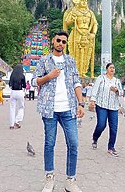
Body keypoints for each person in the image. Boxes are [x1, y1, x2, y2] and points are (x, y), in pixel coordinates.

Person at [32, 30, 85, 192]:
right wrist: (49, 76)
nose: (61, 43)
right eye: (58, 40)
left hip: (68, 108)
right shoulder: (44, 60)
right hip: (49, 110)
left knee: (74, 143)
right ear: (53, 41)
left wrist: (81, 103)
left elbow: (76, 82)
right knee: (49, 143)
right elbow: (35, 81)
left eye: (64, 41)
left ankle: (71, 180)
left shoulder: (70, 61)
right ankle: (49, 177)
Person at [89, 63, 123, 157]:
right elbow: (95, 89)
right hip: (101, 105)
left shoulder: (117, 81)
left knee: (114, 127)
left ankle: (111, 147)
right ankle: (95, 138)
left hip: (113, 106)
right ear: (107, 69)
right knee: (101, 124)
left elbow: (121, 92)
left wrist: (117, 90)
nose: (112, 69)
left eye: (113, 68)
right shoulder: (101, 78)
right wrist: (92, 100)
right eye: (110, 67)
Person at [63, 0, 98, 77]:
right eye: (82, 0)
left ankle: (83, 72)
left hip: (87, 34)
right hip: (76, 34)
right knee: (75, 54)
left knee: (86, 54)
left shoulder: (90, 13)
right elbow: (67, 22)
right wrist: (72, 18)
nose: (84, 2)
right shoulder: (74, 11)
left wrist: (93, 33)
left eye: (85, 0)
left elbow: (95, 24)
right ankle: (75, 71)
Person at [8, 65, 26, 129]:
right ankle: (17, 121)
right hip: (20, 92)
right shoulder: (22, 76)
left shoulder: (12, 75)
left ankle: (11, 124)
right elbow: (24, 86)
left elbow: (10, 84)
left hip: (13, 92)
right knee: (21, 107)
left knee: (12, 108)